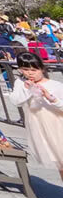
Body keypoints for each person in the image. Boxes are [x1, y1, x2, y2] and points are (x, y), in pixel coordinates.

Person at [10, 52, 63, 182]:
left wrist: (50, 97)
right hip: (42, 129)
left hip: (58, 125)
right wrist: (28, 90)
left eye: (34, 70)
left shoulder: (55, 85)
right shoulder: (20, 83)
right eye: (25, 70)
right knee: (60, 164)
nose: (30, 73)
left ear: (42, 69)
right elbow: (16, 100)